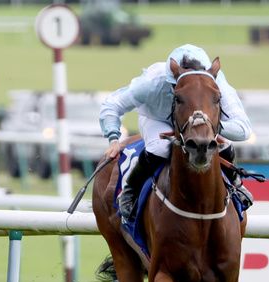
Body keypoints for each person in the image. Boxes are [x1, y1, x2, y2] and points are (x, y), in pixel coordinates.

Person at [99, 44, 254, 224]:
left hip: (199, 123)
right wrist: (113, 138)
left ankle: (236, 185)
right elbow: (113, 104)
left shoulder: (216, 84)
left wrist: (208, 127)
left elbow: (243, 129)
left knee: (224, 144)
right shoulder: (151, 83)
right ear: (172, 80)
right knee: (160, 148)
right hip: (157, 119)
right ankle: (130, 191)